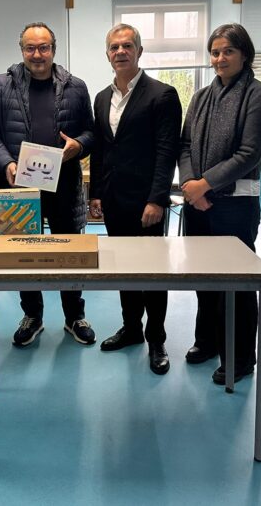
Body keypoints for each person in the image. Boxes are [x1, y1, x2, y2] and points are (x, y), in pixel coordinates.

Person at [0, 22, 96, 347]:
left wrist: (78, 146)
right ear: (22, 51)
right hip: (18, 187)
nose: (37, 54)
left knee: (69, 252)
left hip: (63, 185)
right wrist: (6, 163)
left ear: (53, 50)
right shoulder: (0, 86)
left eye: (43, 47)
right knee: (22, 254)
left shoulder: (76, 87)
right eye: (30, 48)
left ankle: (75, 316)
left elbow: (90, 132)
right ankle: (32, 315)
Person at [178, 23, 261, 385]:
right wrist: (192, 187)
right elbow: (185, 145)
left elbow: (249, 153)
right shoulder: (201, 96)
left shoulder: (257, 95)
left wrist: (204, 184)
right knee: (204, 277)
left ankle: (240, 358)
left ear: (244, 54)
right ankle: (207, 341)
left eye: (228, 51)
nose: (220, 58)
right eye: (215, 52)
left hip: (236, 206)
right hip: (197, 204)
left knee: (237, 282)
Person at [89, 24, 182, 375]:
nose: (120, 52)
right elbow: (101, 151)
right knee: (123, 268)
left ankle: (156, 337)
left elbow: (166, 151)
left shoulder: (162, 95)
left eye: (127, 45)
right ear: (107, 54)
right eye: (114, 47)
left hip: (147, 203)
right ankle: (131, 328)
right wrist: (96, 193)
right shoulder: (102, 98)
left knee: (153, 272)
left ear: (139, 52)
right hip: (114, 200)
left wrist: (157, 199)